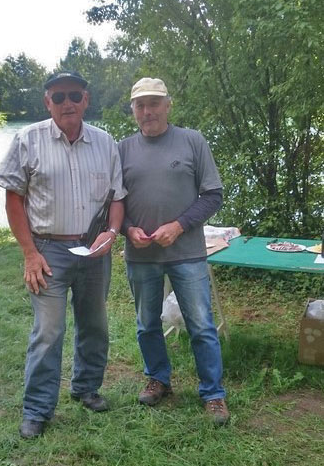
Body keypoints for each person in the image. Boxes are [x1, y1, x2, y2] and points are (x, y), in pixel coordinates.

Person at [0, 71, 126, 439]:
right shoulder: (27, 139)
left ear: (86, 99)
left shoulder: (105, 142)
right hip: (47, 249)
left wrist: (112, 233)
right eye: (59, 96)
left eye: (75, 95)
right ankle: (37, 410)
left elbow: (117, 197)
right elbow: (13, 198)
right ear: (47, 102)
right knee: (48, 332)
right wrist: (29, 253)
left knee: (95, 325)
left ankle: (86, 388)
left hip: (93, 249)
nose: (68, 102)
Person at [118, 77, 229, 426]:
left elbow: (213, 195)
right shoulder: (122, 149)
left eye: (154, 103)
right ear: (133, 110)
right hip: (141, 255)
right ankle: (159, 379)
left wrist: (179, 225)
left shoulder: (192, 141)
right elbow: (112, 202)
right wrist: (127, 229)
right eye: (140, 105)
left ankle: (213, 394)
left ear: (168, 105)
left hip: (187, 253)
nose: (147, 111)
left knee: (201, 325)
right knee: (147, 324)